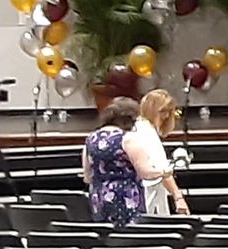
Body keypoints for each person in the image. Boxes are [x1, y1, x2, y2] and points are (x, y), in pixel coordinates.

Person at [81, 98, 145, 228]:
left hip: (99, 196)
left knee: (104, 237)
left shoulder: (91, 139)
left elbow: (87, 176)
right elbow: (145, 172)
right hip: (126, 197)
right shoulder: (127, 139)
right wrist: (165, 170)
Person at [129, 90, 190, 216]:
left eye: (169, 111)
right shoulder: (147, 133)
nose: (166, 116)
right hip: (149, 190)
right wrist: (178, 197)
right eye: (163, 111)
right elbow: (162, 169)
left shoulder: (138, 127)